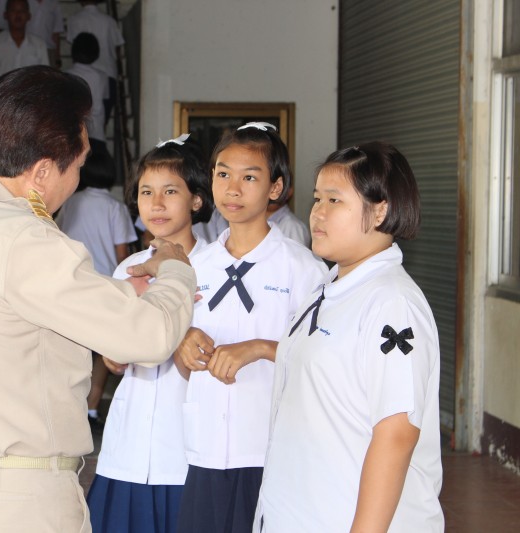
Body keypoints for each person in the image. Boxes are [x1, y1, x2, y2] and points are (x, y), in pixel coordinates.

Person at [0, 65, 196, 532]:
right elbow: (148, 336)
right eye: (79, 165)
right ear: (43, 171)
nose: (76, 180)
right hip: (15, 501)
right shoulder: (18, 236)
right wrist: (175, 269)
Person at [254, 142, 444, 532]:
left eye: (335, 200)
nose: (318, 213)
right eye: (317, 199)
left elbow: (396, 435)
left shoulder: (392, 303)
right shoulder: (327, 289)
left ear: (381, 210)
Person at [174, 123, 328, 533]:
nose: (233, 188)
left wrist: (260, 348)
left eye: (250, 177)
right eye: (223, 174)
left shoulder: (303, 269)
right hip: (206, 448)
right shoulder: (194, 267)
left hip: (270, 450)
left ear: (275, 188)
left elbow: (323, 360)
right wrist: (182, 345)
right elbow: (183, 365)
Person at [87, 134, 213, 533]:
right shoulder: (129, 269)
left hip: (187, 453)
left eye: (170, 191)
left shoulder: (218, 267)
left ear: (197, 199)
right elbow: (113, 359)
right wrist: (117, 352)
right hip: (127, 449)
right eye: (146, 192)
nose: (156, 203)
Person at [55, 142, 137, 432]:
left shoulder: (70, 202)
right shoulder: (115, 207)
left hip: (73, 284)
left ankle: (73, 408)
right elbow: (122, 255)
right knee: (105, 350)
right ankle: (91, 407)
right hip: (106, 285)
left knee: (74, 349)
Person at [66, 1, 124, 126]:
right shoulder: (109, 21)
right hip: (107, 74)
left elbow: (74, 45)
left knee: (78, 119)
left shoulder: (74, 19)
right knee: (100, 120)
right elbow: (117, 48)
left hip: (81, 74)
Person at [65, 33, 109, 143]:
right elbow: (105, 103)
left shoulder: (65, 76)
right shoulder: (102, 76)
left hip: (72, 136)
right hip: (97, 133)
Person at [0, 0, 49, 81]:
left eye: (22, 11)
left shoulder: (39, 45)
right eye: (13, 10)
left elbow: (45, 78)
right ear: (5, 15)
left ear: (29, 16)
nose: (18, 14)